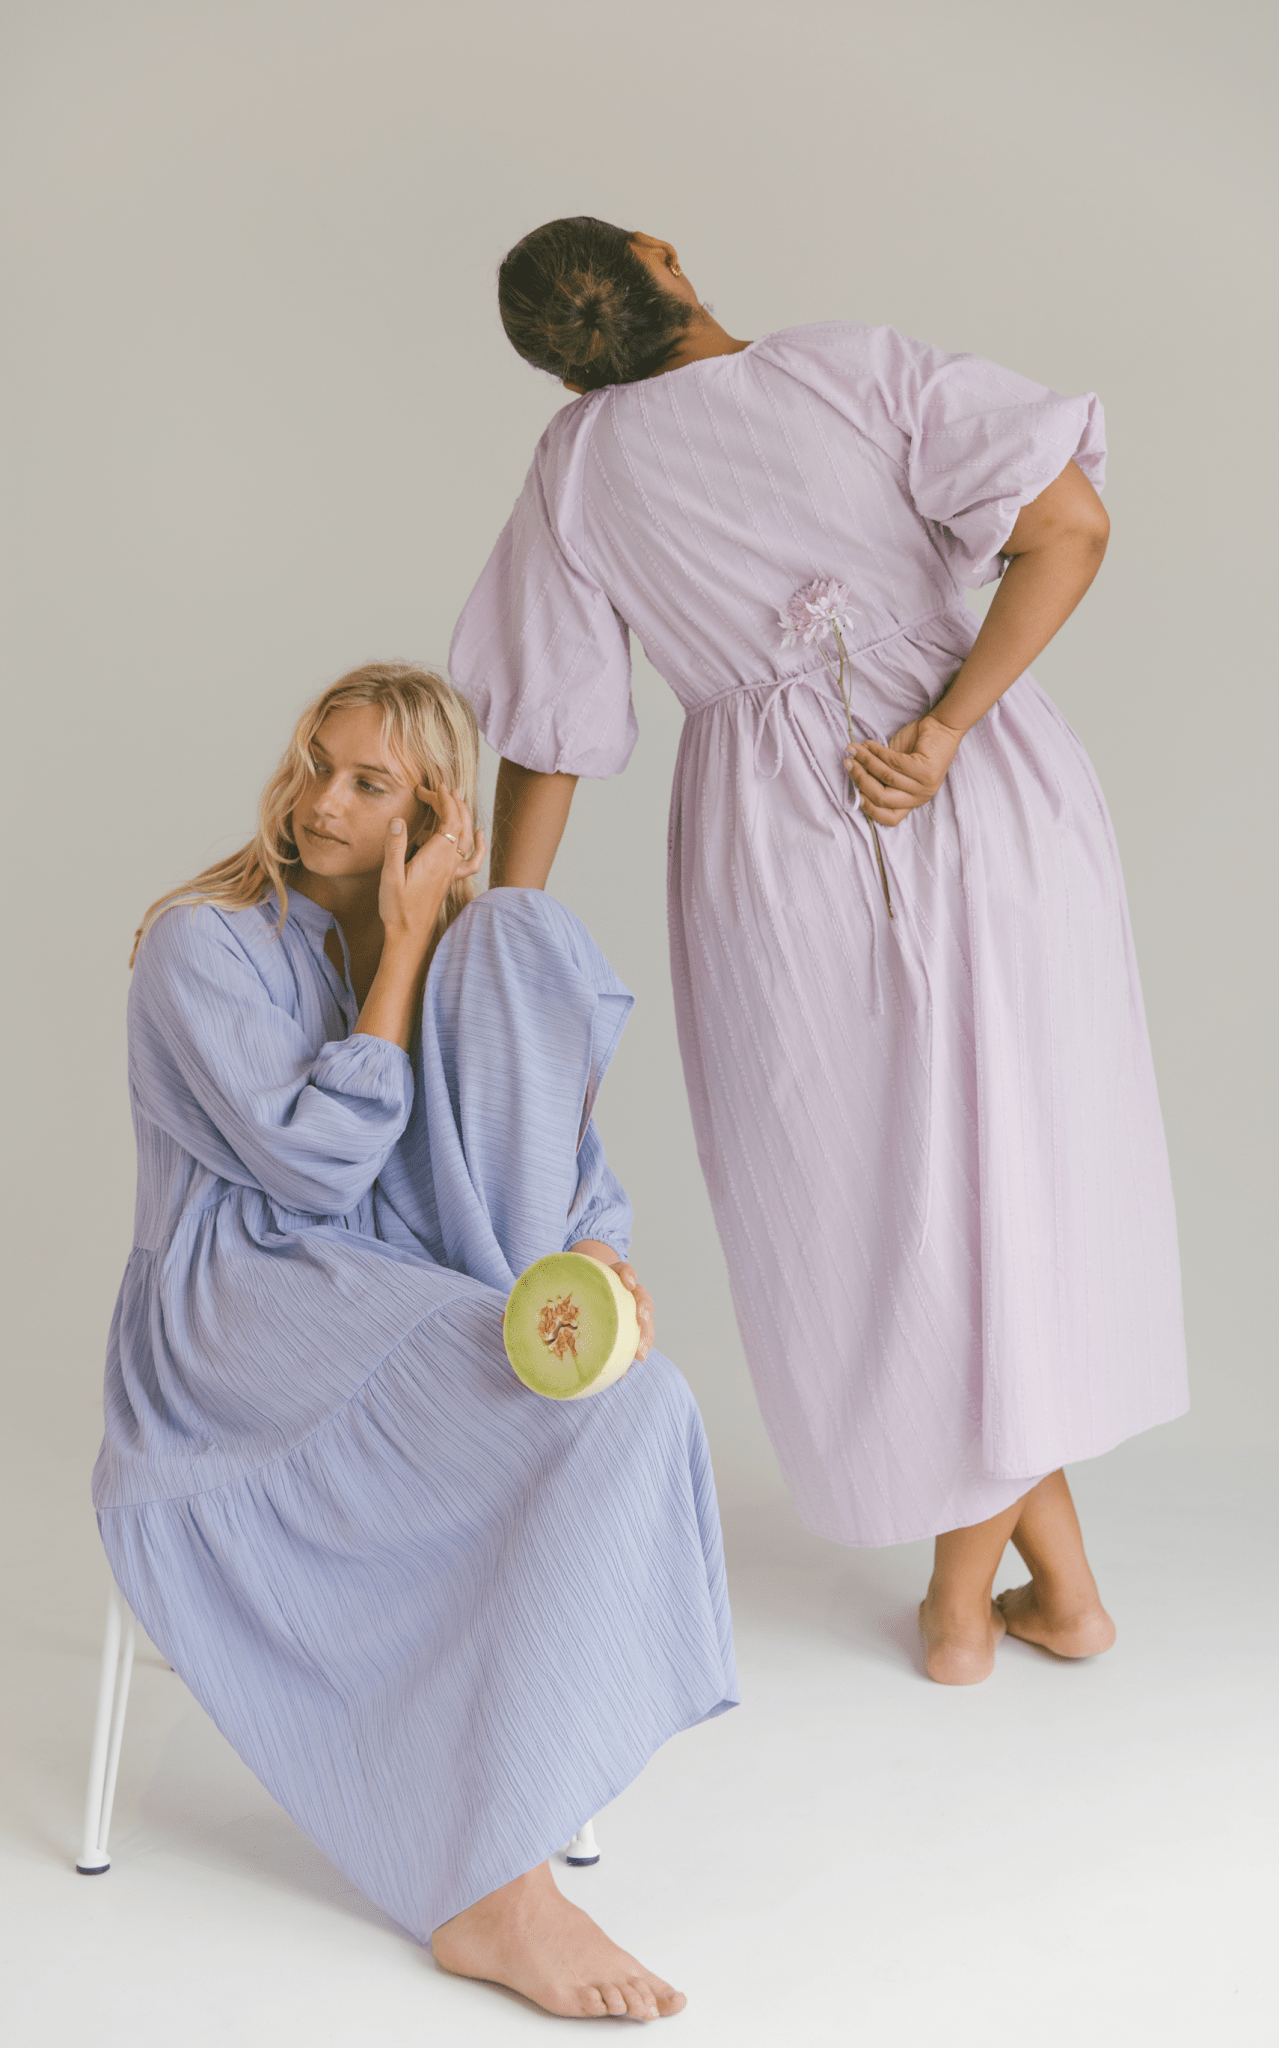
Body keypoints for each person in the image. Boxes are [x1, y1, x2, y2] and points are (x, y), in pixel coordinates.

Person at [449, 218, 1188, 1686]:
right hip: (983, 797)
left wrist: (501, 937)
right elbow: (1074, 527)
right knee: (1007, 1180)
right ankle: (1026, 1602)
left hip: (768, 848)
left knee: (881, 1208)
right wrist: (946, 726)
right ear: (662, 257)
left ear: (565, 370)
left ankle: (989, 1605)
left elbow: (548, 735)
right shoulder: (847, 369)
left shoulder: (577, 467)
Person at [93, 660, 737, 2017]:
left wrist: (593, 1255)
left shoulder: (457, 960)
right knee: (546, 1397)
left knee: (636, 1398)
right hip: (236, 1302)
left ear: (433, 814)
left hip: (393, 1282)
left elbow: (563, 1144)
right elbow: (313, 1167)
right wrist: (396, 954)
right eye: (314, 765)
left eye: (367, 783)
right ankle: (501, 1890)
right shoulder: (204, 945)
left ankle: (516, 1783)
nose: (320, 801)